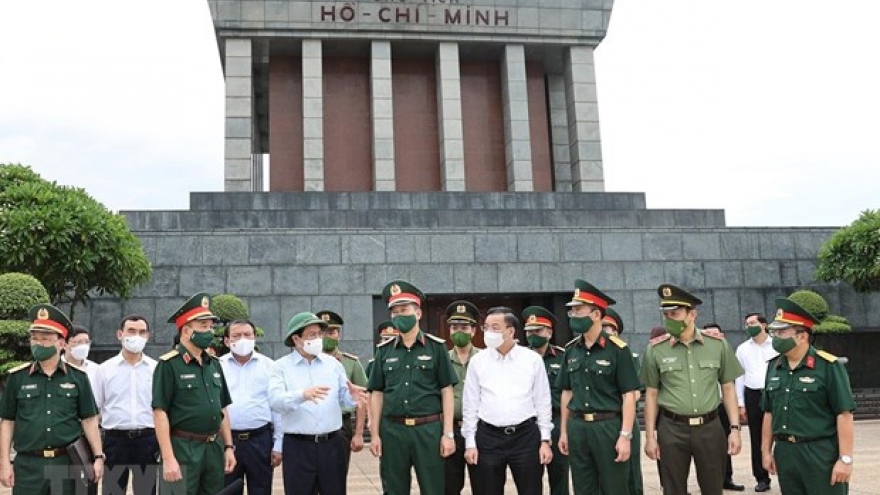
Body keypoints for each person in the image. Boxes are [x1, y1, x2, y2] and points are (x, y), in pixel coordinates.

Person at [640, 284, 744, 495]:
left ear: (692, 314)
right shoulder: (655, 349)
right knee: (673, 488)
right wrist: (650, 436)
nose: (670, 318)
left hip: (710, 427)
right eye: (666, 314)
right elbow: (651, 394)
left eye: (675, 313)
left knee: (713, 487)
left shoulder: (717, 345)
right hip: (671, 428)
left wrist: (735, 429)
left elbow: (728, 388)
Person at [0, 304, 105, 495]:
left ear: (61, 344)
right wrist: (4, 461)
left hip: (66, 463)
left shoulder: (78, 378)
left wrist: (98, 457)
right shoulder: (17, 378)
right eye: (34, 338)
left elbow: (89, 419)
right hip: (28, 466)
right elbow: (8, 421)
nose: (38, 344)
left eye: (46, 339)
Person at [367, 280, 457, 495]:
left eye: (404, 310)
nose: (400, 315)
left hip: (428, 430)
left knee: (433, 488)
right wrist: (376, 434)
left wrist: (448, 434)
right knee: (394, 488)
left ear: (418, 313)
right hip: (393, 431)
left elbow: (447, 391)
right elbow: (377, 393)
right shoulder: (384, 351)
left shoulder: (437, 348)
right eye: (395, 312)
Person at [761, 297, 855, 495]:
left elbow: (844, 414)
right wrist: (766, 451)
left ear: (802, 336)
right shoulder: (774, 367)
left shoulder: (828, 366)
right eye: (774, 331)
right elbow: (768, 412)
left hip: (820, 452)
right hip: (786, 452)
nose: (776, 337)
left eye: (782, 331)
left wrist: (845, 459)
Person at [556, 281, 640, 495]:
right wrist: (564, 432)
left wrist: (625, 436)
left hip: (608, 427)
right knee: (583, 488)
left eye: (578, 309)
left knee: (614, 487)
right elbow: (566, 392)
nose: (573, 314)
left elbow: (629, 396)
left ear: (595, 315)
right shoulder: (571, 350)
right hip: (578, 427)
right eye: (571, 310)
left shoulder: (618, 350)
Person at [269, 311, 365, 495]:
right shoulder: (280, 367)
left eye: (320, 334)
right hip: (298, 447)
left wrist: (352, 397)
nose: (318, 339)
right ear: (296, 339)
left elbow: (343, 397)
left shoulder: (333, 364)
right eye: (312, 335)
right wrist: (302, 395)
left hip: (332, 443)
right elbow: (276, 402)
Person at [462, 306, 553, 495]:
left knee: (531, 489)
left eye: (495, 327)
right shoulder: (478, 361)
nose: (488, 332)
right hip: (488, 437)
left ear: (510, 331)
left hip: (525, 436)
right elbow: (470, 404)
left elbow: (542, 401)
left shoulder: (531, 360)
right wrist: (470, 442)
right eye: (486, 327)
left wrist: (545, 439)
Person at [152, 292, 236, 495]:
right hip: (183, 447)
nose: (209, 331)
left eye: (211, 326)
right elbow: (159, 412)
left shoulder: (214, 364)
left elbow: (222, 407)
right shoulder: (169, 365)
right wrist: (169, 458)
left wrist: (228, 446)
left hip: (212, 447)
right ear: (186, 330)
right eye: (203, 326)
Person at [94, 315, 159, 495]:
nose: (136, 336)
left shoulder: (156, 369)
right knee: (112, 492)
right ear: (120, 334)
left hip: (147, 440)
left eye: (142, 332)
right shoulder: (104, 370)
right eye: (131, 331)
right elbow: (95, 410)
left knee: (146, 492)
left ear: (148, 337)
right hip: (115, 442)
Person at [218, 319, 282, 495]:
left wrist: (278, 443)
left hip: (260, 439)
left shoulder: (269, 366)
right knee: (227, 489)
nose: (242, 339)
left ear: (254, 337)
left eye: (247, 335)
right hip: (227, 441)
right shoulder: (217, 366)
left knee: (261, 490)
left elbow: (276, 406)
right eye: (236, 336)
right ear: (226, 340)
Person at [521, 305, 569, 495]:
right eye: (529, 331)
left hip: (556, 422)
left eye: (538, 331)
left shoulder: (563, 357)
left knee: (559, 477)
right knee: (530, 478)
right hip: (529, 425)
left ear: (549, 333)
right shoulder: (520, 358)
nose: (533, 335)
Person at [316, 310, 368, 480]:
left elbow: (362, 399)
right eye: (324, 332)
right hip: (312, 423)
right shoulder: (307, 361)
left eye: (332, 332)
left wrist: (359, 434)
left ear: (339, 335)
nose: (328, 336)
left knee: (336, 478)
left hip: (341, 426)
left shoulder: (350, 363)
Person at [602, 306, 645, 495]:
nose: (602, 330)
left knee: (631, 470)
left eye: (606, 327)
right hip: (601, 422)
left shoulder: (630, 357)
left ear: (615, 331)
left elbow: (636, 392)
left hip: (625, 419)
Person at [444, 300, 483, 495]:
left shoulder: (486, 359)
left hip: (481, 431)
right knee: (450, 486)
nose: (459, 331)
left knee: (484, 484)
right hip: (451, 430)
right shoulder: (442, 360)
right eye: (455, 327)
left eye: (464, 327)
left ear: (474, 331)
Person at [735, 312, 776, 492]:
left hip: (775, 393)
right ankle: (761, 477)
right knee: (757, 437)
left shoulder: (777, 345)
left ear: (764, 325)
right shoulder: (743, 348)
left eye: (752, 322)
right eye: (747, 324)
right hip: (753, 395)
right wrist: (741, 403)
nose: (749, 326)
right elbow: (739, 377)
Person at [702, 323, 745, 492]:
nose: (713, 337)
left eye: (716, 334)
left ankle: (727, 478)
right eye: (709, 334)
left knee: (727, 443)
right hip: (708, 407)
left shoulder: (725, 353)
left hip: (723, 405)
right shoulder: (699, 354)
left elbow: (733, 383)